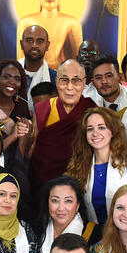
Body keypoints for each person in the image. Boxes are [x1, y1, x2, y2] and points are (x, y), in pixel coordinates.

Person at [27, 59, 95, 205]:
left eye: (76, 81)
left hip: (79, 185)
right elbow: (32, 150)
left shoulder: (91, 110)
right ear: (57, 82)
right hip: (43, 185)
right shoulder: (43, 109)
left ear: (84, 83)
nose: (70, 87)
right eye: (64, 80)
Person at [66, 107, 127, 226]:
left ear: (112, 131)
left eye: (101, 127)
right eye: (90, 129)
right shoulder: (80, 164)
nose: (95, 133)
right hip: (93, 234)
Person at [0, 60, 34, 215]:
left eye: (17, 79)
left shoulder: (22, 108)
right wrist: (13, 135)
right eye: (7, 77)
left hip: (17, 172)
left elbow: (27, 146)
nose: (12, 82)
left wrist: (30, 131)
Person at [34, 176, 98, 253]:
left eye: (68, 201)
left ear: (77, 205)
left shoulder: (94, 234)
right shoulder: (37, 230)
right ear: (47, 203)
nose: (61, 208)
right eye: (55, 200)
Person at [15, 0, 83, 70]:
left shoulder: (72, 23)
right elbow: (21, 60)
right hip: (33, 76)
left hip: (61, 76)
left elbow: (77, 60)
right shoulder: (25, 22)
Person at [19, 24, 57, 111]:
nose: (34, 45)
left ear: (47, 45)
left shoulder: (55, 79)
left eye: (40, 41)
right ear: (21, 44)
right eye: (29, 40)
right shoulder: (9, 76)